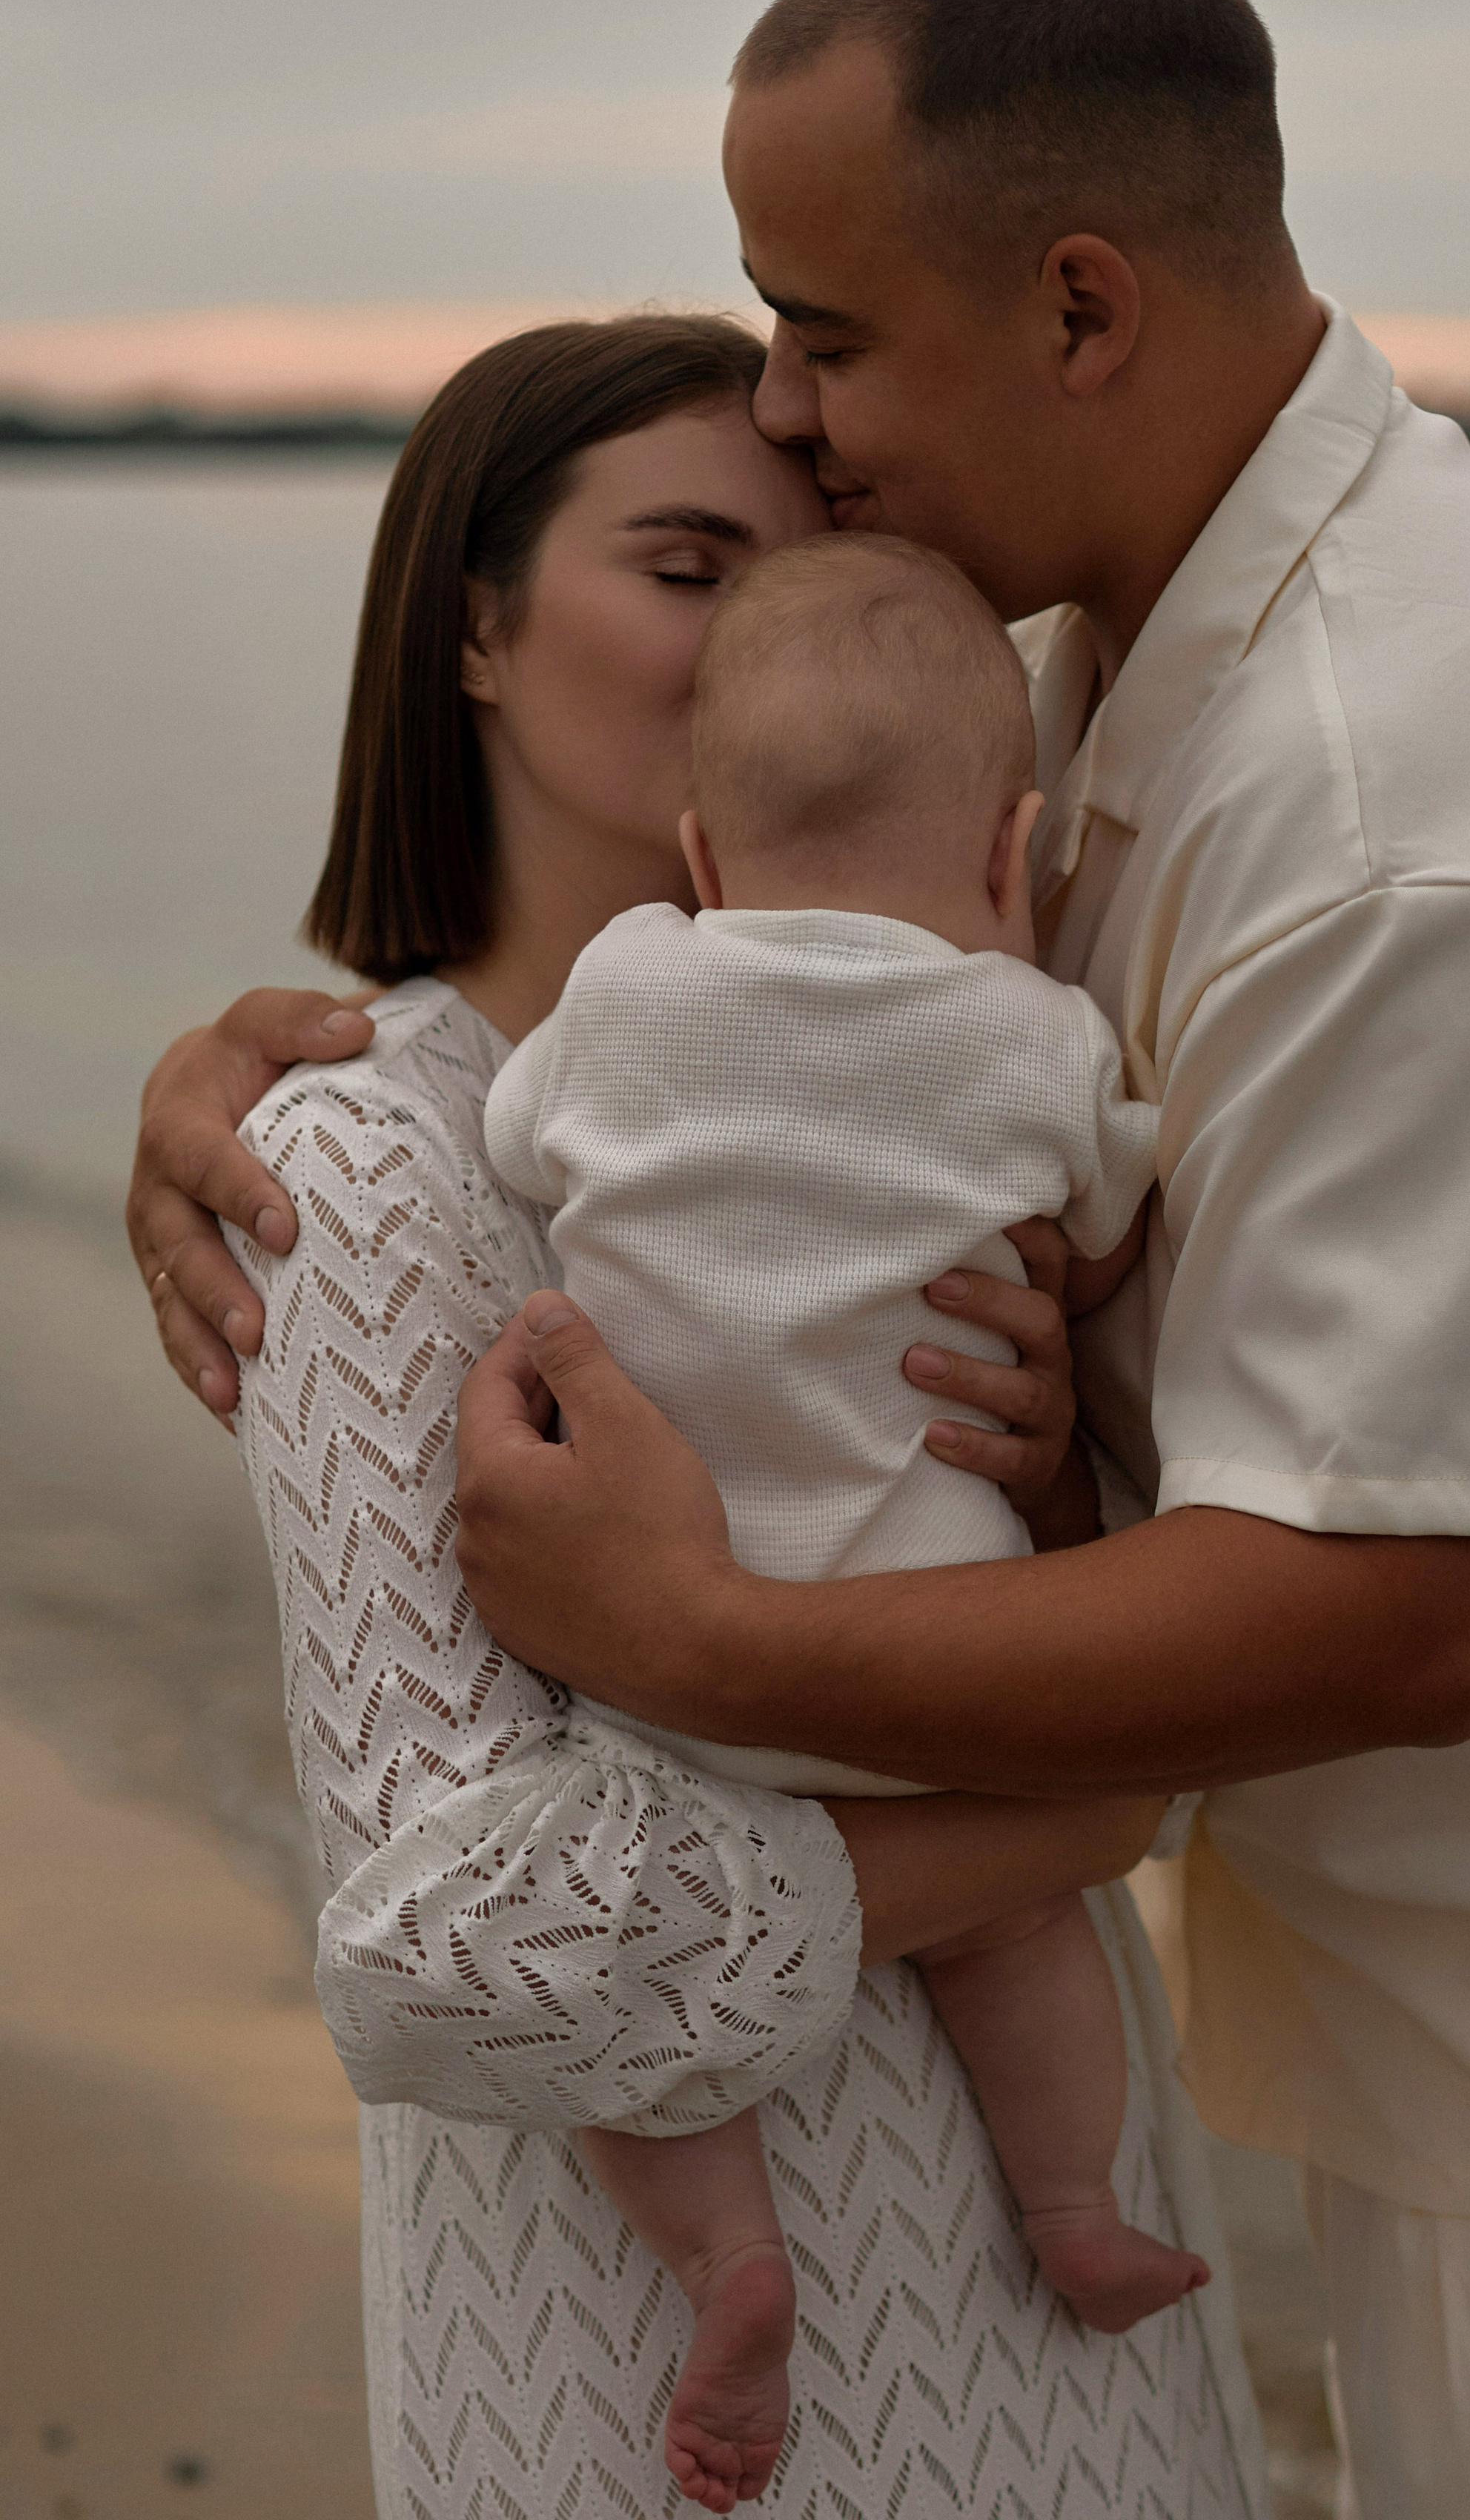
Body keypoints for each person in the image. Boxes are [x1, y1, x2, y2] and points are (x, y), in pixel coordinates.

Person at [130, 0, 1470, 2519]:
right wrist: (261, 1074)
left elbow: (1401, 1601)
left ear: (1080, 310)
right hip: (1355, 2052)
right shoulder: (1077, 675)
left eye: (825, 348)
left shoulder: (1409, 809)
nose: (804, 432)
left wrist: (713, 1632)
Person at [170, 311, 1265, 2517]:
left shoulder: (965, 1063)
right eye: (691, 567)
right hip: (658, 2399)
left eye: (811, 569)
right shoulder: (372, 1169)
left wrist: (1060, 1486)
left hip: (1060, 2316)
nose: (776, 635)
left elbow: (1113, 1619)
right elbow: (453, 1967)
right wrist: (1061, 1816)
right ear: (474, 632)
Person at [496, 528, 1205, 2507]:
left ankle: (730, 2264)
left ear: (704, 859)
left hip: (660, 1644)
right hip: (927, 1652)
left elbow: (512, 1136)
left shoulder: (628, 984)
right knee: (1022, 1929)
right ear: (1014, 854)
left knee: (646, 2020)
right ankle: (1073, 2204)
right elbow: (1107, 1206)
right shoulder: (1036, 1035)